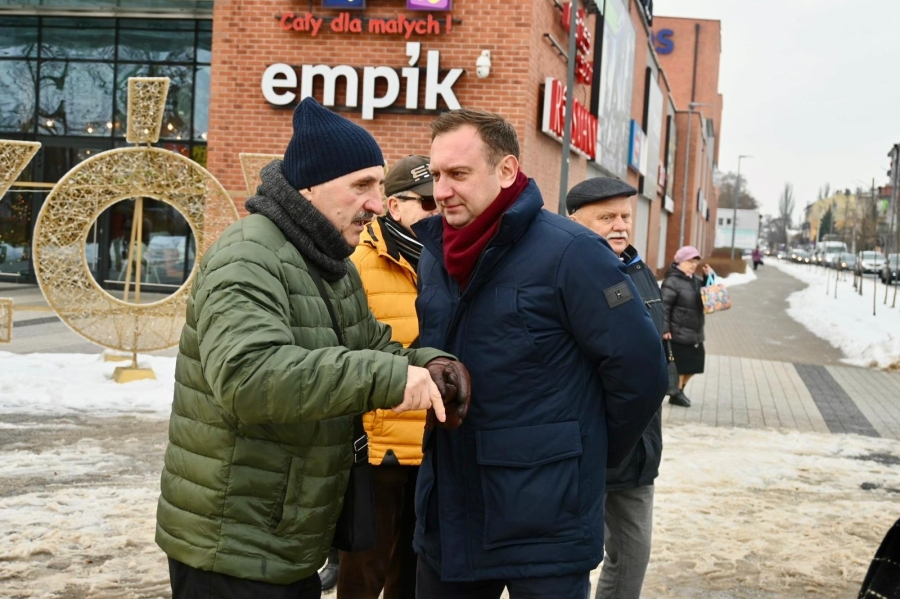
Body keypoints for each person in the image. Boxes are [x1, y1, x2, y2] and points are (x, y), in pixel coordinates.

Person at [155, 97, 471, 599]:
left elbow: (373, 346)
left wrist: (429, 363)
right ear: (309, 188)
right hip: (232, 547)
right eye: (362, 185)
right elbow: (249, 378)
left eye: (379, 184)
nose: (376, 203)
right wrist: (391, 378)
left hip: (285, 539)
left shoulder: (329, 263)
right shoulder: (248, 255)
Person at [412, 108, 668, 598]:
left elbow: (640, 370)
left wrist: (585, 455)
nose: (441, 190)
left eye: (458, 174)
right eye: (437, 175)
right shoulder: (434, 255)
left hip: (547, 521)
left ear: (507, 170)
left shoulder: (572, 252)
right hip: (451, 514)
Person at [340, 155, 439, 599]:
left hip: (433, 446)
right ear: (395, 206)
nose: (439, 211)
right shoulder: (358, 264)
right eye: (428, 203)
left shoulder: (450, 263)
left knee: (413, 574)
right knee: (364, 572)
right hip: (379, 448)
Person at [566, 177, 665, 599]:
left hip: (636, 449)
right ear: (574, 221)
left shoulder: (640, 272)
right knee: (565, 559)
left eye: (625, 216)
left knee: (632, 553)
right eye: (606, 217)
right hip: (577, 447)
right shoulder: (559, 272)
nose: (621, 225)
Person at [660, 245, 712, 408]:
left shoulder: (695, 281)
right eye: (690, 261)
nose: (693, 265)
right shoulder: (672, 281)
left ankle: (678, 391)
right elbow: (664, 307)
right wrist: (665, 328)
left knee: (695, 365)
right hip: (678, 332)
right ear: (680, 262)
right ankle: (676, 394)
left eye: (695, 262)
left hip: (695, 332)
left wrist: (707, 278)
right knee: (681, 367)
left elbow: (705, 298)